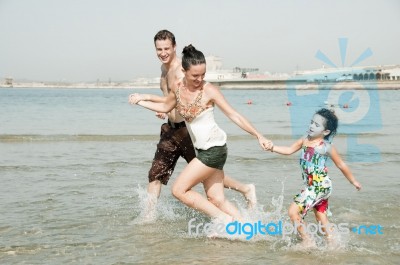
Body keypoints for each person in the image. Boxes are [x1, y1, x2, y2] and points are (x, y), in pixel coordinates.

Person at [129, 44, 271, 222]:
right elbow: (165, 106)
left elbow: (234, 115)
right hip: (203, 150)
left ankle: (224, 221)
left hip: (215, 149)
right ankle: (246, 227)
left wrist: (259, 135)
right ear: (184, 71)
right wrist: (140, 101)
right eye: (195, 75)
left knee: (178, 191)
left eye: (203, 74)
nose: (200, 79)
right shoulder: (178, 89)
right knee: (217, 199)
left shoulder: (208, 90)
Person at [267, 108, 361, 245]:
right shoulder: (304, 139)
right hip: (313, 186)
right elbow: (288, 150)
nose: (311, 126)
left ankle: (308, 241)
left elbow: (341, 164)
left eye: (317, 125)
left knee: (293, 212)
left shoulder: (326, 147)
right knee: (320, 216)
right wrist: (272, 147)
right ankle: (334, 242)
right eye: (312, 122)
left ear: (326, 132)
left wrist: (353, 181)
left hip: (320, 186)